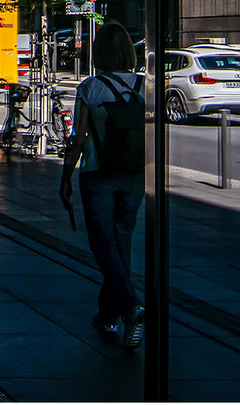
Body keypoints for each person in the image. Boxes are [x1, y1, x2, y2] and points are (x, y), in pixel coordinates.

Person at [59, 21, 148, 350]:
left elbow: (78, 138)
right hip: (135, 174)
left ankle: (129, 306)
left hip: (97, 174)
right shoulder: (145, 86)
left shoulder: (90, 88)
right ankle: (108, 314)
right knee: (121, 240)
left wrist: (66, 176)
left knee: (103, 243)